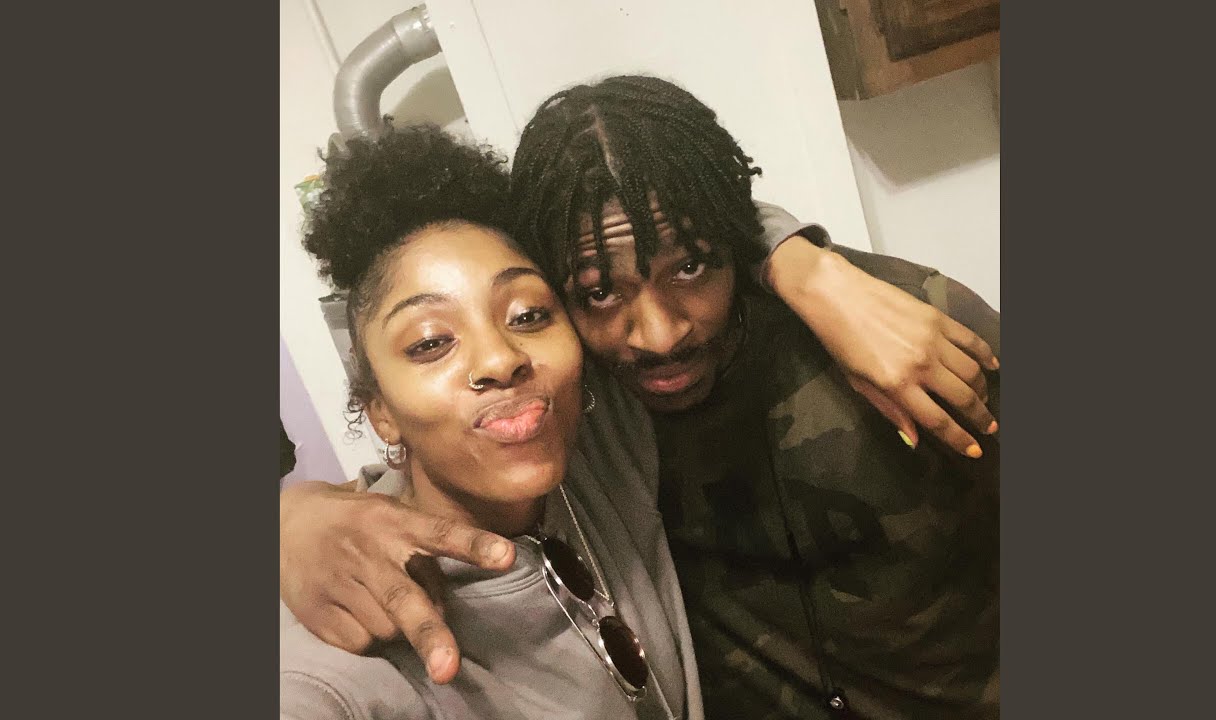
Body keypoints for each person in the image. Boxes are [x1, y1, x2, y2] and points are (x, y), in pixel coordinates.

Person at [281, 76, 1001, 719]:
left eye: (690, 269)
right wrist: (287, 518)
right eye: (597, 292)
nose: (658, 337)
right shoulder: (584, 415)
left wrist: (808, 265)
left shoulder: (902, 331)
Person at [282, 124, 701, 719]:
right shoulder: (339, 662)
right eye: (431, 343)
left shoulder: (597, 443)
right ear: (381, 410)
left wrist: (805, 265)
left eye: (528, 315)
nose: (501, 360)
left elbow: (706, 229)